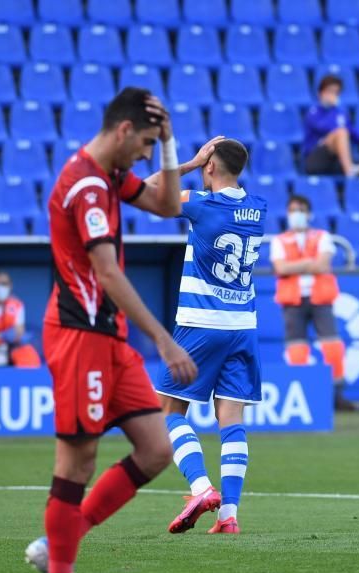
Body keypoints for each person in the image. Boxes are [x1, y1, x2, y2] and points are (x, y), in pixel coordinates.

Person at [23, 87, 198, 573]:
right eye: (145, 143)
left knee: (154, 449)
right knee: (77, 460)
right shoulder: (85, 186)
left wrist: (172, 150)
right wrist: (163, 340)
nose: (146, 154)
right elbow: (107, 273)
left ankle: (61, 542)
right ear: (123, 131)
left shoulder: (107, 175)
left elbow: (169, 205)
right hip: (80, 336)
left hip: (109, 338)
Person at [151, 137, 265, 536]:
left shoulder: (201, 204)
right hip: (243, 328)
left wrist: (187, 163)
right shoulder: (259, 208)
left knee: (169, 411)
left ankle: (201, 488)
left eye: (205, 161)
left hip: (201, 325)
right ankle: (229, 515)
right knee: (232, 420)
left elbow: (145, 189)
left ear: (211, 166)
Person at [270, 194, 354, 412]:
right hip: (293, 300)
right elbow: (281, 269)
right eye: (292, 210)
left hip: (320, 297)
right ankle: (302, 393)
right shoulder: (279, 241)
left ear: (308, 214)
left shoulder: (322, 236)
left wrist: (296, 265)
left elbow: (323, 265)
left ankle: (336, 394)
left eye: (299, 210)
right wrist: (309, 263)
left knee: (332, 346)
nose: (295, 214)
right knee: (296, 348)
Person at [303, 75, 359, 177]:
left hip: (337, 162)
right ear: (320, 93)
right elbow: (324, 126)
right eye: (329, 91)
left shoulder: (340, 113)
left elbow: (352, 131)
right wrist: (334, 112)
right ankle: (349, 171)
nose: (332, 95)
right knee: (341, 132)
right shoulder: (313, 112)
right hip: (316, 161)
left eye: (336, 92)